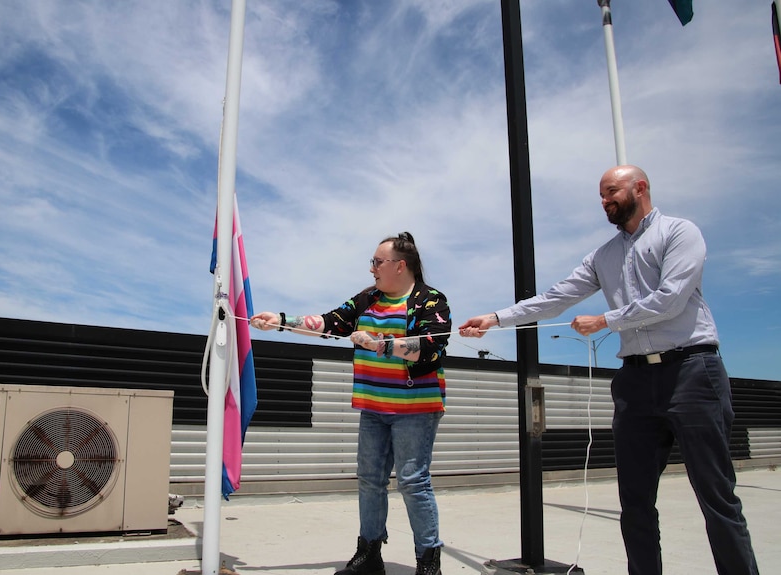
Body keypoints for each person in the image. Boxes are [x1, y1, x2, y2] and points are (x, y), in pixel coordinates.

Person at [459, 165, 759, 575]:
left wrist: (605, 320)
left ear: (640, 187)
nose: (605, 202)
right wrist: (495, 318)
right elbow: (555, 297)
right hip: (635, 382)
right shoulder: (604, 255)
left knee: (717, 498)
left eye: (611, 192)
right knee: (634, 502)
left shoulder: (679, 233)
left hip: (693, 372)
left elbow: (670, 299)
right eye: (601, 195)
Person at [251, 232, 451, 575]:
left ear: (400, 265)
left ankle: (428, 560)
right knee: (369, 479)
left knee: (412, 481)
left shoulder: (430, 300)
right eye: (372, 262)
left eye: (377, 261)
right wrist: (282, 321)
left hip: (415, 408)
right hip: (373, 407)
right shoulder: (367, 299)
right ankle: (369, 554)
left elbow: (430, 349)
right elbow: (329, 323)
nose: (372, 268)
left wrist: (379, 345)